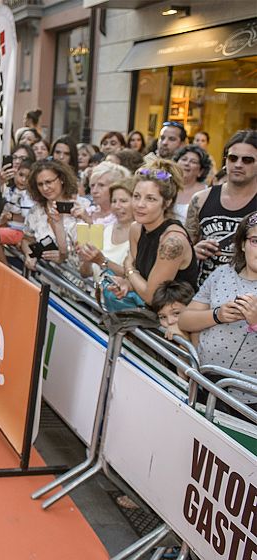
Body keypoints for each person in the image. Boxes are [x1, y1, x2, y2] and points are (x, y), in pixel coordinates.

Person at [179, 211, 257, 404]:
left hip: (247, 398)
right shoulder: (222, 274)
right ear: (242, 244)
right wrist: (217, 315)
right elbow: (184, 319)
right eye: (255, 240)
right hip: (203, 381)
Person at [108, 160, 199, 306]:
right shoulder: (136, 229)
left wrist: (129, 268)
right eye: (136, 196)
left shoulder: (172, 241)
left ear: (167, 202)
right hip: (147, 315)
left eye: (150, 199)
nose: (140, 205)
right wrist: (127, 284)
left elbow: (152, 297)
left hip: (174, 321)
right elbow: (141, 280)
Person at [185, 129, 257, 286]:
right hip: (202, 294)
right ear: (225, 161)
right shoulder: (200, 199)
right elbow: (185, 249)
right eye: (233, 158)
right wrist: (193, 252)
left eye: (247, 160)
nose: (238, 164)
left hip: (248, 299)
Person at [21, 159, 84, 272]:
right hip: (46, 278)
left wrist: (63, 255)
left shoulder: (80, 207)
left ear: (62, 179)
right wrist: (29, 255)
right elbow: (27, 239)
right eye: (40, 184)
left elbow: (91, 248)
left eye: (49, 182)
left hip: (76, 280)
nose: (45, 188)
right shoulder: (35, 211)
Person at [79, 177, 135, 279]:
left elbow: (131, 277)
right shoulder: (106, 230)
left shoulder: (141, 235)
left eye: (123, 201)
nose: (117, 206)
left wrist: (102, 261)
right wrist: (87, 257)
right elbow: (85, 273)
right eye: (114, 201)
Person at [0, 157, 34, 264]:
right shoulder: (11, 190)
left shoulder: (29, 196)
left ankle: (4, 266)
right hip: (8, 226)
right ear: (15, 173)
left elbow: (26, 214)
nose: (23, 180)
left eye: (28, 177)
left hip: (20, 231)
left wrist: (11, 215)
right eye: (21, 175)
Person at [172, 144, 210, 222]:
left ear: (201, 171)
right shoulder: (166, 186)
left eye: (193, 162)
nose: (187, 163)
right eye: (184, 159)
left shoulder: (207, 192)